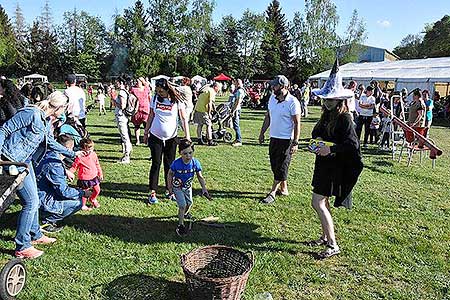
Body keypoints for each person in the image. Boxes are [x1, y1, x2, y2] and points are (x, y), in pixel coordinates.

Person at [0, 91, 83, 259]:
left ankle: (35, 235)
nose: (65, 111)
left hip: (26, 162)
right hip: (11, 161)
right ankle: (22, 245)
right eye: (64, 108)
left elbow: (49, 143)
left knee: (33, 200)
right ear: (59, 107)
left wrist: (72, 154)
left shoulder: (45, 121)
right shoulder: (30, 113)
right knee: (30, 203)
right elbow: (5, 129)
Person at [309, 59, 363, 259]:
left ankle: (333, 244)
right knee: (323, 201)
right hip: (323, 166)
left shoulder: (345, 118)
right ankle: (325, 237)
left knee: (318, 203)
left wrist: (331, 151)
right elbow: (317, 134)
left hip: (335, 168)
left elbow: (352, 146)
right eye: (325, 100)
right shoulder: (326, 115)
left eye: (330, 100)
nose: (326, 103)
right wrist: (319, 141)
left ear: (339, 100)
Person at [143, 78, 190, 205]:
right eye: (157, 91)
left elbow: (183, 118)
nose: (159, 93)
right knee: (156, 163)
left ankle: (170, 191)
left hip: (171, 138)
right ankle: (152, 192)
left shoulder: (176, 100)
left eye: (161, 91)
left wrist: (187, 136)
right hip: (155, 136)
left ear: (168, 89)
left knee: (169, 165)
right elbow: (151, 116)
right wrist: (146, 132)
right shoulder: (154, 98)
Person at [258, 75, 301, 204]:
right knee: (274, 165)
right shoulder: (272, 98)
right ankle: (284, 189)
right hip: (274, 138)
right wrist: (262, 133)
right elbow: (268, 117)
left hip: (286, 139)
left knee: (281, 165)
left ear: (283, 86)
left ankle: (272, 192)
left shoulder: (293, 102)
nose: (272, 87)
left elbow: (297, 123)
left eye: (275, 85)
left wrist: (295, 142)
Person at [36, 135, 92, 233]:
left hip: (39, 194)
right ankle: (46, 221)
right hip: (43, 200)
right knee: (77, 202)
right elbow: (63, 192)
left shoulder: (48, 155)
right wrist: (82, 193)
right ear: (66, 149)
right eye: (72, 149)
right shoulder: (55, 166)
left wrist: (65, 171)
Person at [167, 139, 211, 236]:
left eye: (190, 153)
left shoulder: (195, 163)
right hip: (177, 188)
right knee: (182, 205)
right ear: (180, 153)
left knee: (189, 203)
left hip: (187, 187)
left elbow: (200, 176)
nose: (188, 156)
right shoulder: (176, 163)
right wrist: (170, 188)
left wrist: (204, 188)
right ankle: (181, 225)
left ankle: (183, 214)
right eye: (185, 153)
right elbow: (170, 174)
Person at [70, 138, 103, 210]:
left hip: (94, 177)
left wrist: (100, 174)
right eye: (88, 149)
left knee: (97, 190)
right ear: (82, 149)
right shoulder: (79, 158)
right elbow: (74, 167)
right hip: (84, 179)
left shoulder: (94, 155)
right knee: (85, 193)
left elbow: (97, 164)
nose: (90, 151)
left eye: (92, 148)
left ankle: (92, 199)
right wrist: (70, 173)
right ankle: (83, 205)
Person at [114, 76, 133, 163]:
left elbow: (122, 106)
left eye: (116, 82)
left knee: (124, 136)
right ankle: (127, 153)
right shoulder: (125, 91)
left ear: (121, 83)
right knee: (125, 136)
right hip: (123, 116)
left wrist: (114, 102)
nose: (115, 83)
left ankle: (127, 156)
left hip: (121, 116)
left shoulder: (122, 92)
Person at [130, 77, 151, 145]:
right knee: (137, 126)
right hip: (137, 110)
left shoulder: (146, 88)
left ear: (142, 82)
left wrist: (151, 106)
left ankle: (147, 140)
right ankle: (137, 140)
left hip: (146, 109)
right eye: (136, 81)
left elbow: (149, 97)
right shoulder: (133, 89)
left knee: (146, 126)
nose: (136, 82)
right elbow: (131, 99)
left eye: (137, 81)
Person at [230, 79, 245, 146]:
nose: (234, 84)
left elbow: (237, 102)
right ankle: (237, 139)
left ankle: (239, 140)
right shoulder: (239, 90)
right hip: (236, 109)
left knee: (236, 125)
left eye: (235, 83)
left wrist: (233, 110)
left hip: (236, 109)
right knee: (235, 125)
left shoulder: (239, 91)